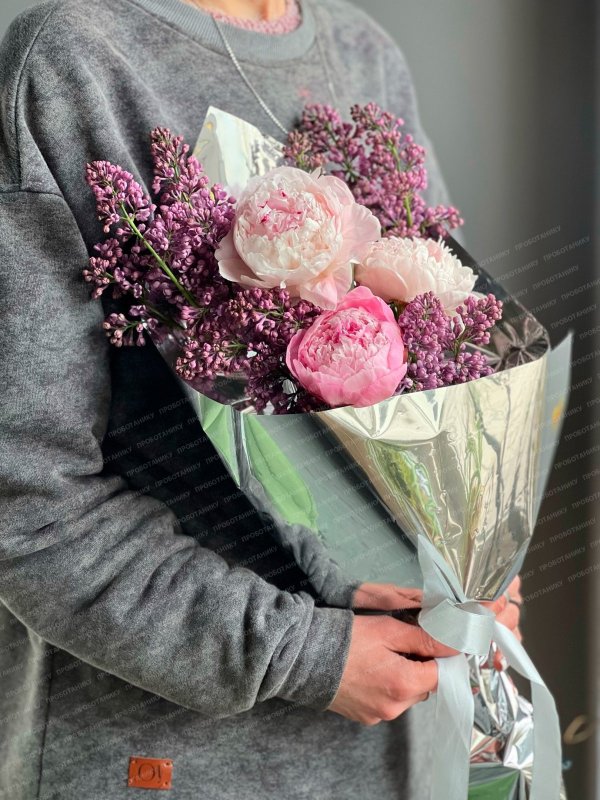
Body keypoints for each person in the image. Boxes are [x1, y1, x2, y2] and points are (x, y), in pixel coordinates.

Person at [0, 0, 522, 797]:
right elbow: (30, 505)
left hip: (399, 751)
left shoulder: (363, 55)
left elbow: (451, 376)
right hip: (172, 763)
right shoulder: (72, 61)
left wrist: (479, 562)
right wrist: (299, 652)